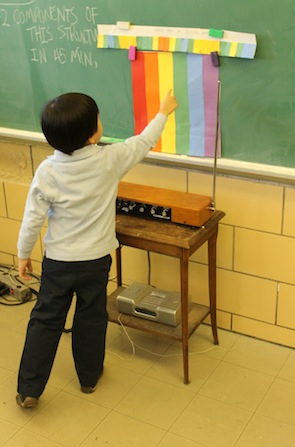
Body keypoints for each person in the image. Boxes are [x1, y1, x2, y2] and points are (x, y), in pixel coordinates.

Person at [16, 90, 178, 408]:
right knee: (92, 317)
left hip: (59, 263)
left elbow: (32, 217)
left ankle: (29, 389)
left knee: (46, 320)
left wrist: (23, 254)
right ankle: (89, 378)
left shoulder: (48, 171)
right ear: (93, 134)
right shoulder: (110, 160)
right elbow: (144, 142)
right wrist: (163, 112)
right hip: (95, 261)